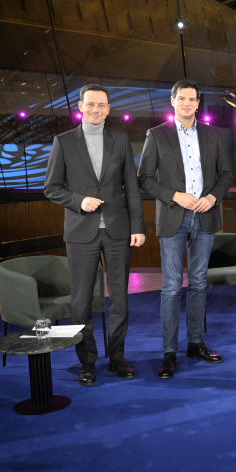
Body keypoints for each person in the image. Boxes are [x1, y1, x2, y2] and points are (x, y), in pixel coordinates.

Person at [43, 83, 145, 386]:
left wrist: (137, 227)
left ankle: (117, 357)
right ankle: (87, 362)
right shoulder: (63, 141)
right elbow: (51, 187)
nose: (96, 110)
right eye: (91, 105)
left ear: (109, 108)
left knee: (120, 301)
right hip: (80, 232)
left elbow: (131, 187)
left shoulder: (121, 140)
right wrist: (79, 201)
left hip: (117, 231)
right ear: (80, 106)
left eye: (102, 105)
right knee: (81, 301)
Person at [137, 79, 233, 379]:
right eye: (182, 99)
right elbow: (145, 178)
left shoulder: (213, 134)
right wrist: (174, 195)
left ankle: (195, 343)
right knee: (170, 288)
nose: (188, 104)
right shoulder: (156, 134)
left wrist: (212, 197)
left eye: (192, 99)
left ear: (198, 102)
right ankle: (169, 353)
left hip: (205, 217)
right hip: (173, 217)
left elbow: (226, 173)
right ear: (173, 100)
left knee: (199, 283)